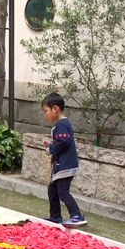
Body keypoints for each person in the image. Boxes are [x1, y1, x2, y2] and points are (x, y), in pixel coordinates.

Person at [39, 93, 88, 227]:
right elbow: (62, 140)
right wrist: (50, 144)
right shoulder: (63, 124)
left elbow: (63, 141)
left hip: (64, 165)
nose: (45, 115)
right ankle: (55, 216)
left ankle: (76, 215)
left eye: (46, 111)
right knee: (53, 189)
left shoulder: (61, 124)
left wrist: (51, 149)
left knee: (63, 191)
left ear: (55, 109)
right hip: (64, 164)